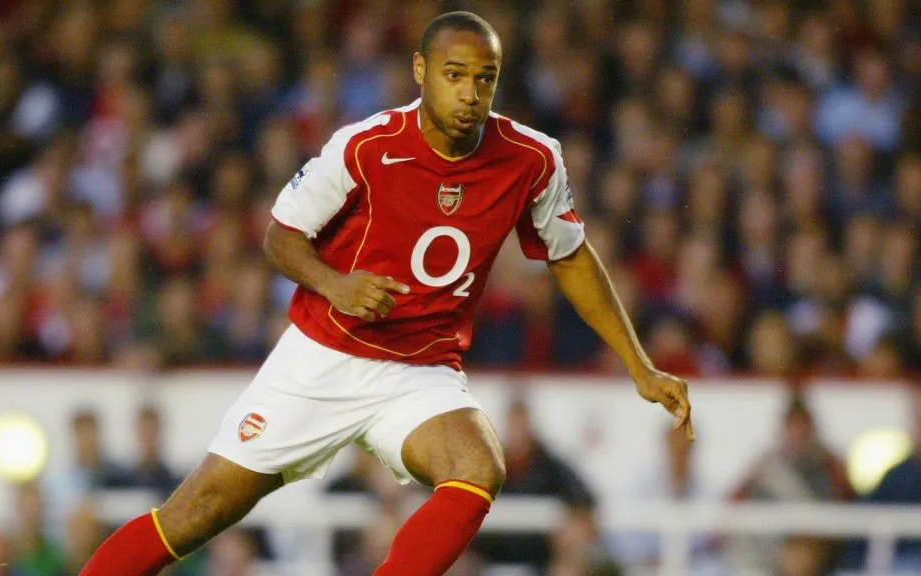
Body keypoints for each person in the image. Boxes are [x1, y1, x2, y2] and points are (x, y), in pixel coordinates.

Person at [80, 11, 694, 576]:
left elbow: (572, 257)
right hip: (323, 356)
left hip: (419, 368)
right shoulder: (366, 145)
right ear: (422, 71)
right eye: (455, 75)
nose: (471, 93)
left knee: (479, 466)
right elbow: (280, 237)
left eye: (486, 78)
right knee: (197, 513)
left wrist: (638, 365)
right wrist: (334, 283)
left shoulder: (532, 160)